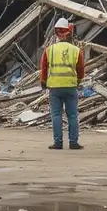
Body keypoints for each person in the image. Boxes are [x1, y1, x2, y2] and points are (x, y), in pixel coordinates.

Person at [40, 17, 84, 150]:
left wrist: (43, 82)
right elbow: (81, 70)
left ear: (56, 33)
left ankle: (58, 143)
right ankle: (73, 142)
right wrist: (78, 81)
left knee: (56, 115)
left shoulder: (49, 50)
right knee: (72, 115)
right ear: (69, 32)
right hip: (71, 86)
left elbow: (44, 68)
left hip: (55, 87)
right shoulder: (76, 50)